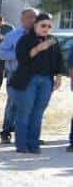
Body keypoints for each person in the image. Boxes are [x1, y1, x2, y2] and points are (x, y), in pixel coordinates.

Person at [8, 12, 65, 153]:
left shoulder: (53, 40)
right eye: (43, 25)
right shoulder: (25, 39)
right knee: (25, 112)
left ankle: (34, 144)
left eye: (49, 26)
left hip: (46, 80)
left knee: (38, 113)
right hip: (28, 80)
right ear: (35, 25)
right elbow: (22, 59)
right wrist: (38, 48)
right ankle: (21, 145)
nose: (46, 28)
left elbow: (59, 60)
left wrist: (58, 77)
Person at [0, 7, 38, 143]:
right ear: (22, 19)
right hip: (16, 73)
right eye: (30, 17)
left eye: (35, 17)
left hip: (35, 74)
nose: (33, 20)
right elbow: (1, 53)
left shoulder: (41, 35)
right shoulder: (12, 35)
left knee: (33, 105)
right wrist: (20, 55)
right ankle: (6, 132)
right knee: (13, 104)